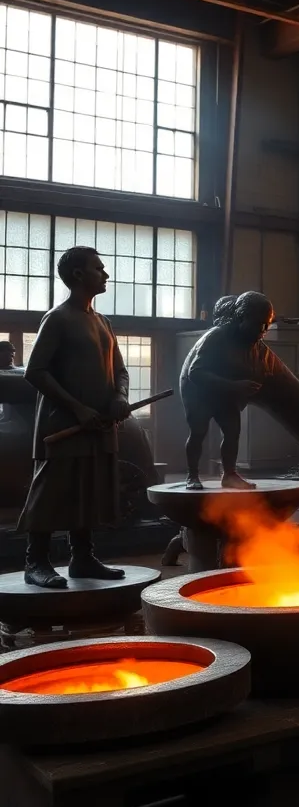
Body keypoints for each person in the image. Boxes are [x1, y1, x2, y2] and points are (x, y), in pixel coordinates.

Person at [19, 247, 132, 589]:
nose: (106, 274)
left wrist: (119, 398)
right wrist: (77, 407)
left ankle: (82, 557)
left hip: (98, 427)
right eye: (99, 268)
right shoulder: (58, 318)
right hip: (63, 425)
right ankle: (35, 561)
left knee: (88, 491)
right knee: (51, 493)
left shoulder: (103, 322)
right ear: (79, 275)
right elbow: (35, 371)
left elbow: (121, 372)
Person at [180, 291, 274, 490]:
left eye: (267, 325)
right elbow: (195, 372)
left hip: (225, 390)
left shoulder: (253, 342)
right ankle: (192, 475)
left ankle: (229, 475)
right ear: (241, 318)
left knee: (232, 431)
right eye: (259, 324)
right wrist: (236, 386)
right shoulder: (216, 336)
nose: (263, 330)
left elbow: (262, 368)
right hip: (197, 390)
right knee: (198, 431)